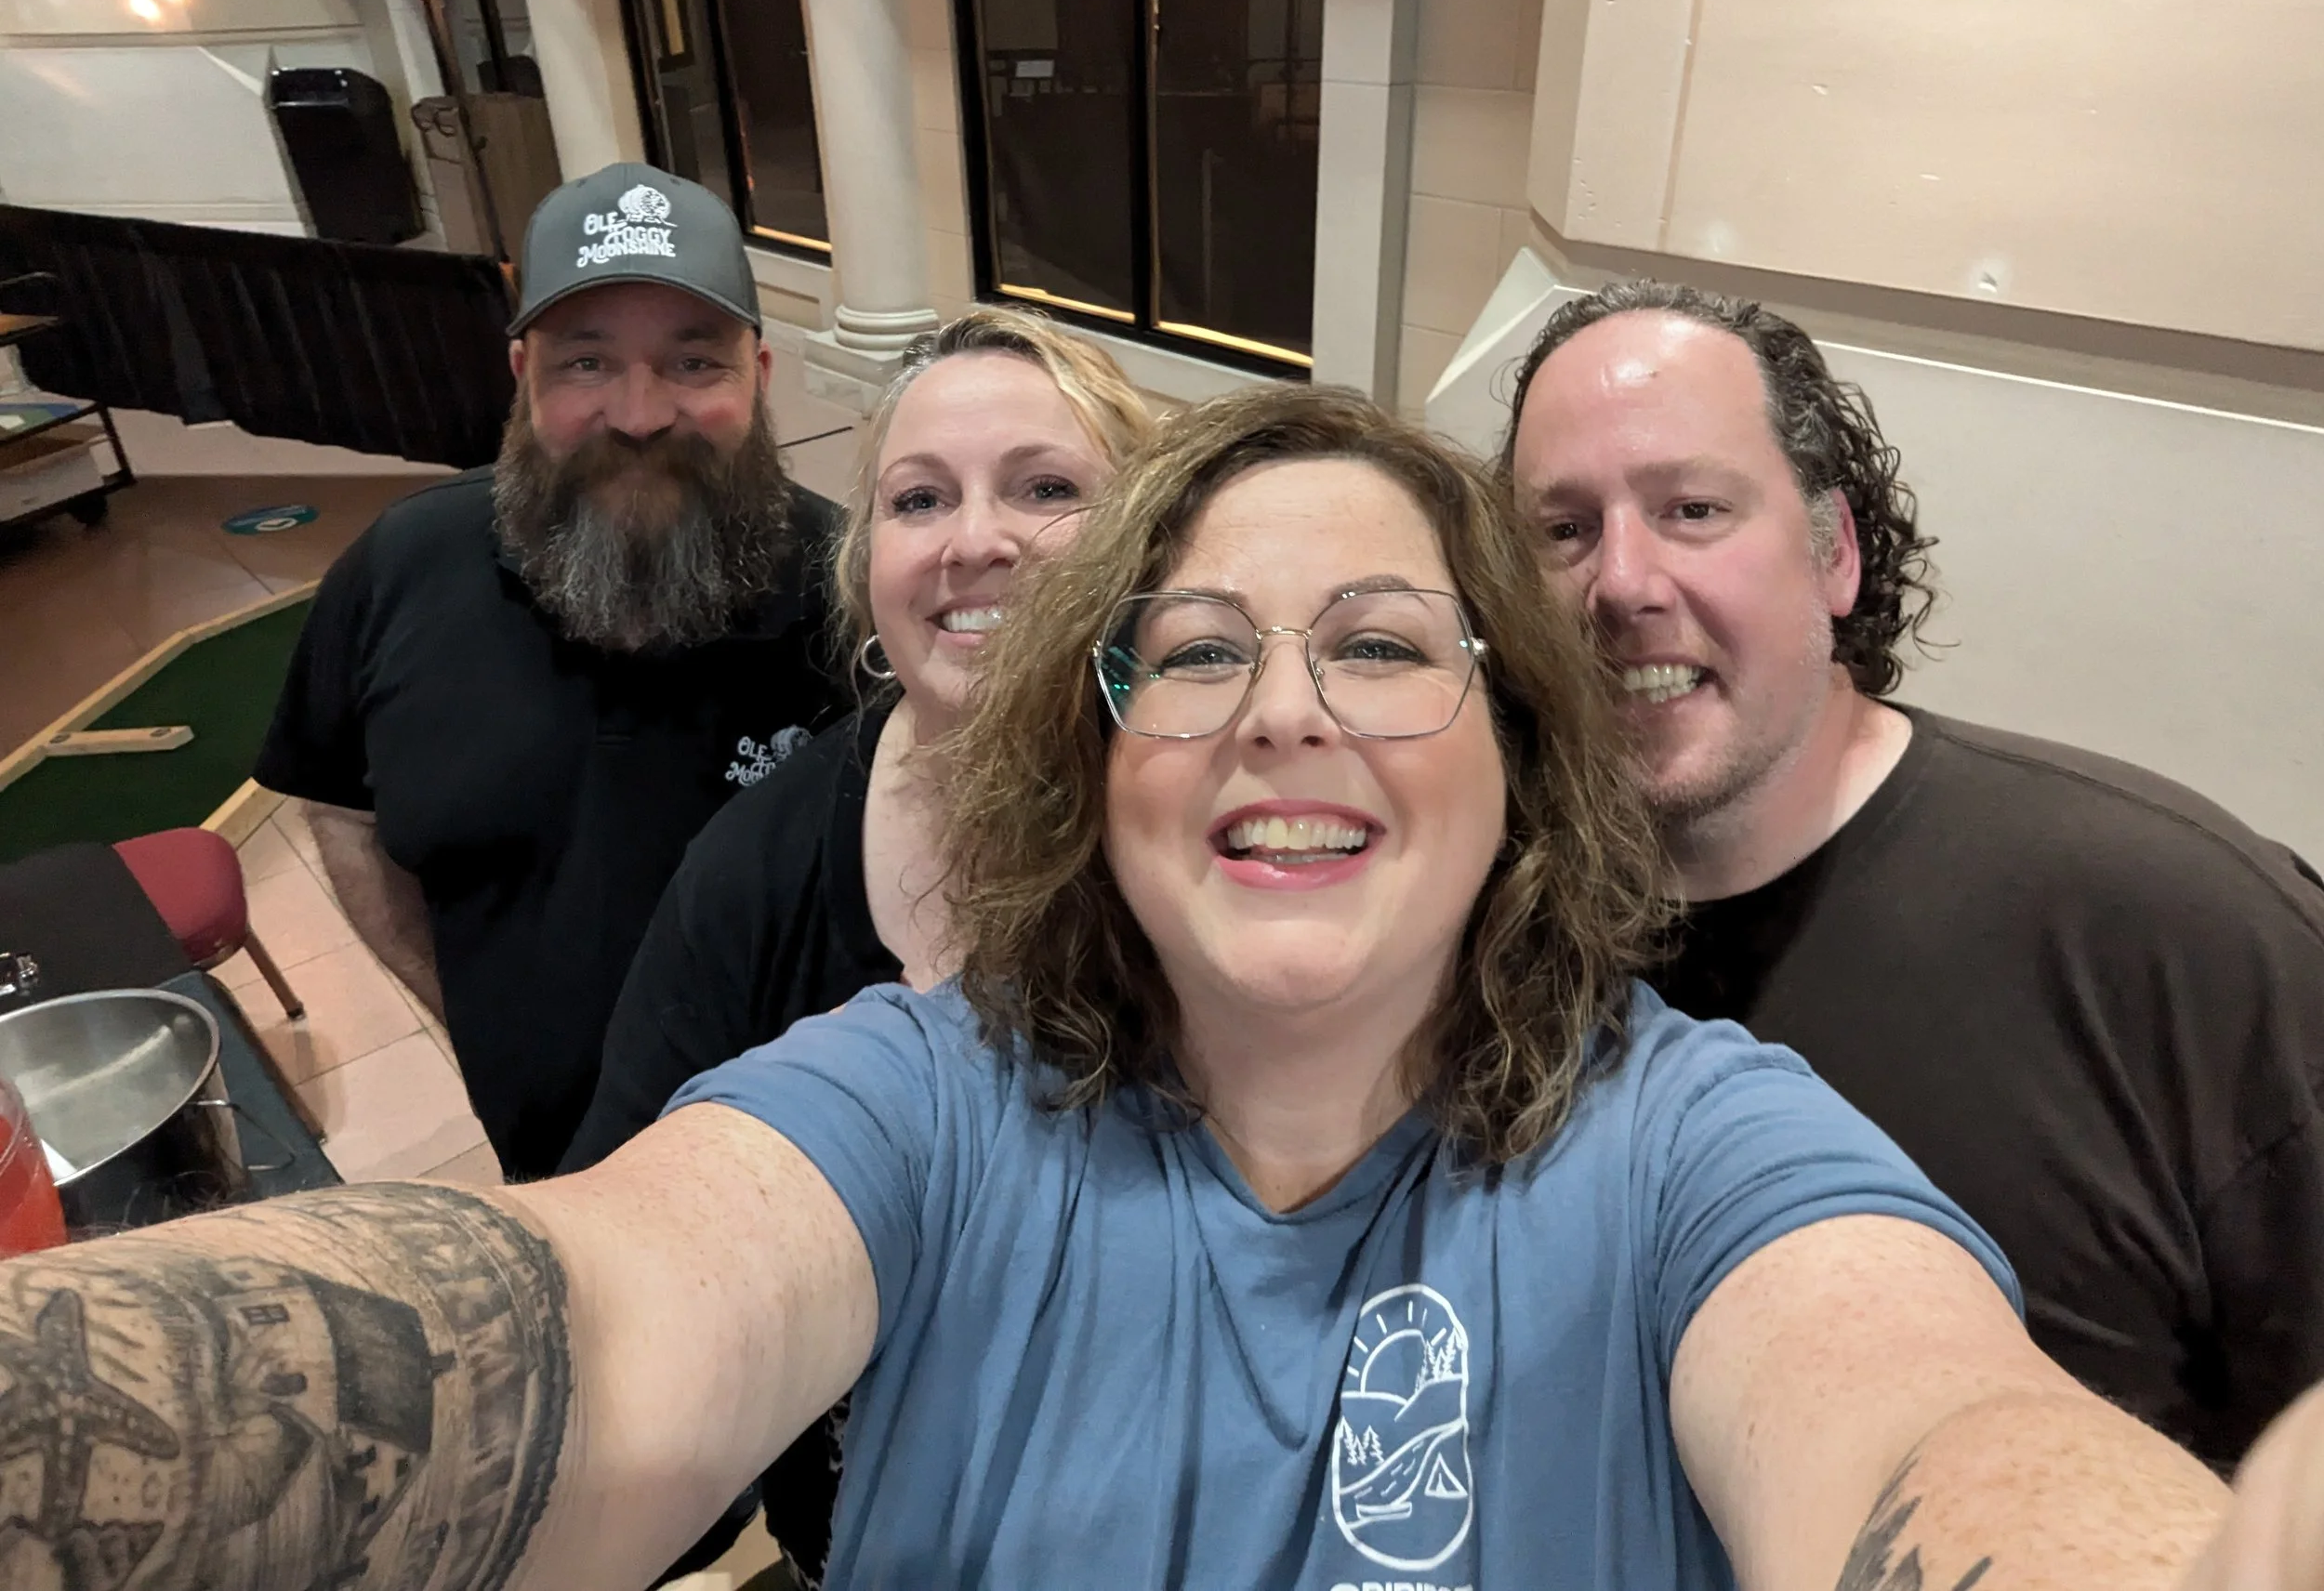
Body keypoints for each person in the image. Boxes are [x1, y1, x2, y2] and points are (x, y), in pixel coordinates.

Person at [0, 383, 2288, 1591]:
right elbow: (589, 1326)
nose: (1283, 709)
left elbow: (1919, 1430)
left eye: (1386, 643)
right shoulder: (920, 1099)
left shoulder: (1714, 1149)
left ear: (1524, 750)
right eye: (1193, 649)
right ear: (1095, 763)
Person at [1503, 278, 2324, 1467]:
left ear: (1832, 553)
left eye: (1691, 509)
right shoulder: (1483, 932)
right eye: (1561, 532)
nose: (1622, 583)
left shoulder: (2176, 935)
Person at [558, 302, 1153, 1584]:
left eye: (1046, 487)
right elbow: (622, 1283)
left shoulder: (1229, 836)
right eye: (919, 498)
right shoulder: (754, 872)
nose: (976, 540)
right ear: (868, 564)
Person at [255, 162, 847, 1182]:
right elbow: (343, 811)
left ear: (759, 369)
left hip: (812, 1161)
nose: (639, 412)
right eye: (586, 364)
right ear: (522, 372)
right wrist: (470, 1016)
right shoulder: (398, 568)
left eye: (693, 362)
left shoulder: (854, 595)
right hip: (540, 1155)